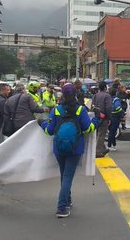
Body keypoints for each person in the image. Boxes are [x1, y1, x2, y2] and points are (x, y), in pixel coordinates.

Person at [40, 83, 99, 218]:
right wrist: (96, 119)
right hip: (75, 148)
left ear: (62, 96)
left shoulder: (56, 110)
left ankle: (67, 200)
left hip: (59, 148)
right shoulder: (80, 110)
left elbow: (49, 131)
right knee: (67, 176)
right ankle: (61, 208)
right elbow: (88, 129)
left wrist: (41, 123)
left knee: (64, 175)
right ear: (76, 94)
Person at [91, 81, 112, 158]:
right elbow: (108, 108)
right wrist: (109, 118)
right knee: (102, 134)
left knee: (98, 134)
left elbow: (92, 106)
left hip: (96, 116)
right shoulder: (107, 96)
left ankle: (103, 149)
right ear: (105, 87)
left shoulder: (95, 96)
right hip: (104, 117)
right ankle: (98, 151)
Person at [106, 87, 123, 152]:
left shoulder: (108, 99)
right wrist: (122, 112)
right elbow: (118, 107)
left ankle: (114, 145)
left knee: (111, 131)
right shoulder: (116, 99)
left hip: (109, 116)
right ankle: (109, 146)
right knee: (112, 132)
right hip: (115, 117)